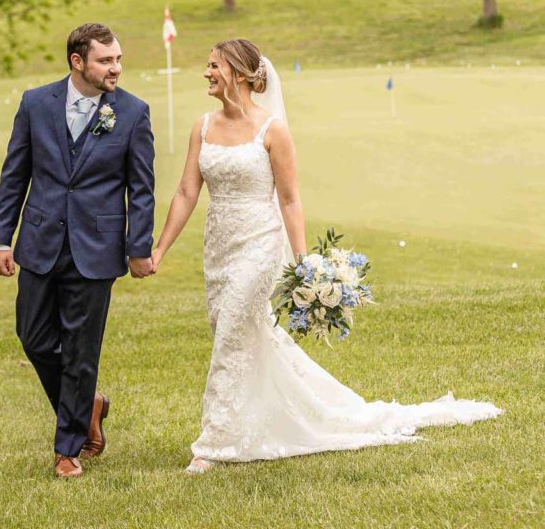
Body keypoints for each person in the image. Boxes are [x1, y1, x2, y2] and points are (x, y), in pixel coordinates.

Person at [151, 38, 502, 473]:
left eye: (213, 66)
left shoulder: (272, 129)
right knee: (238, 335)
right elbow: (187, 191)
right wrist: (160, 248)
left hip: (260, 247)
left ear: (240, 74)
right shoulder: (202, 127)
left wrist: (303, 266)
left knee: (232, 336)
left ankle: (215, 443)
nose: (206, 73)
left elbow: (291, 199)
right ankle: (263, 421)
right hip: (218, 249)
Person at [0, 23, 155, 478]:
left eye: (118, 59)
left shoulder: (134, 113)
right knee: (34, 337)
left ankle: (68, 447)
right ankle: (90, 405)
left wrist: (139, 247)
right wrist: (1, 237)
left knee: (81, 350)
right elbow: (14, 175)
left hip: (97, 249)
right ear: (77, 61)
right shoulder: (35, 104)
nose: (116, 68)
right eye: (106, 60)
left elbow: (141, 190)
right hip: (40, 242)